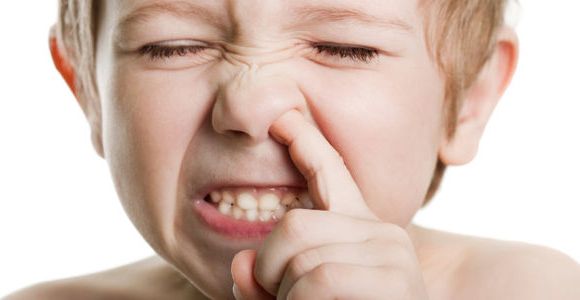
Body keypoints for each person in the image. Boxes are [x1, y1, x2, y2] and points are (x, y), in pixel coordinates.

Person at [5, 0, 580, 299]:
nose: (250, 108)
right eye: (171, 47)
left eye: (343, 47)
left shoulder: (534, 291)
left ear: (469, 100)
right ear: (89, 93)